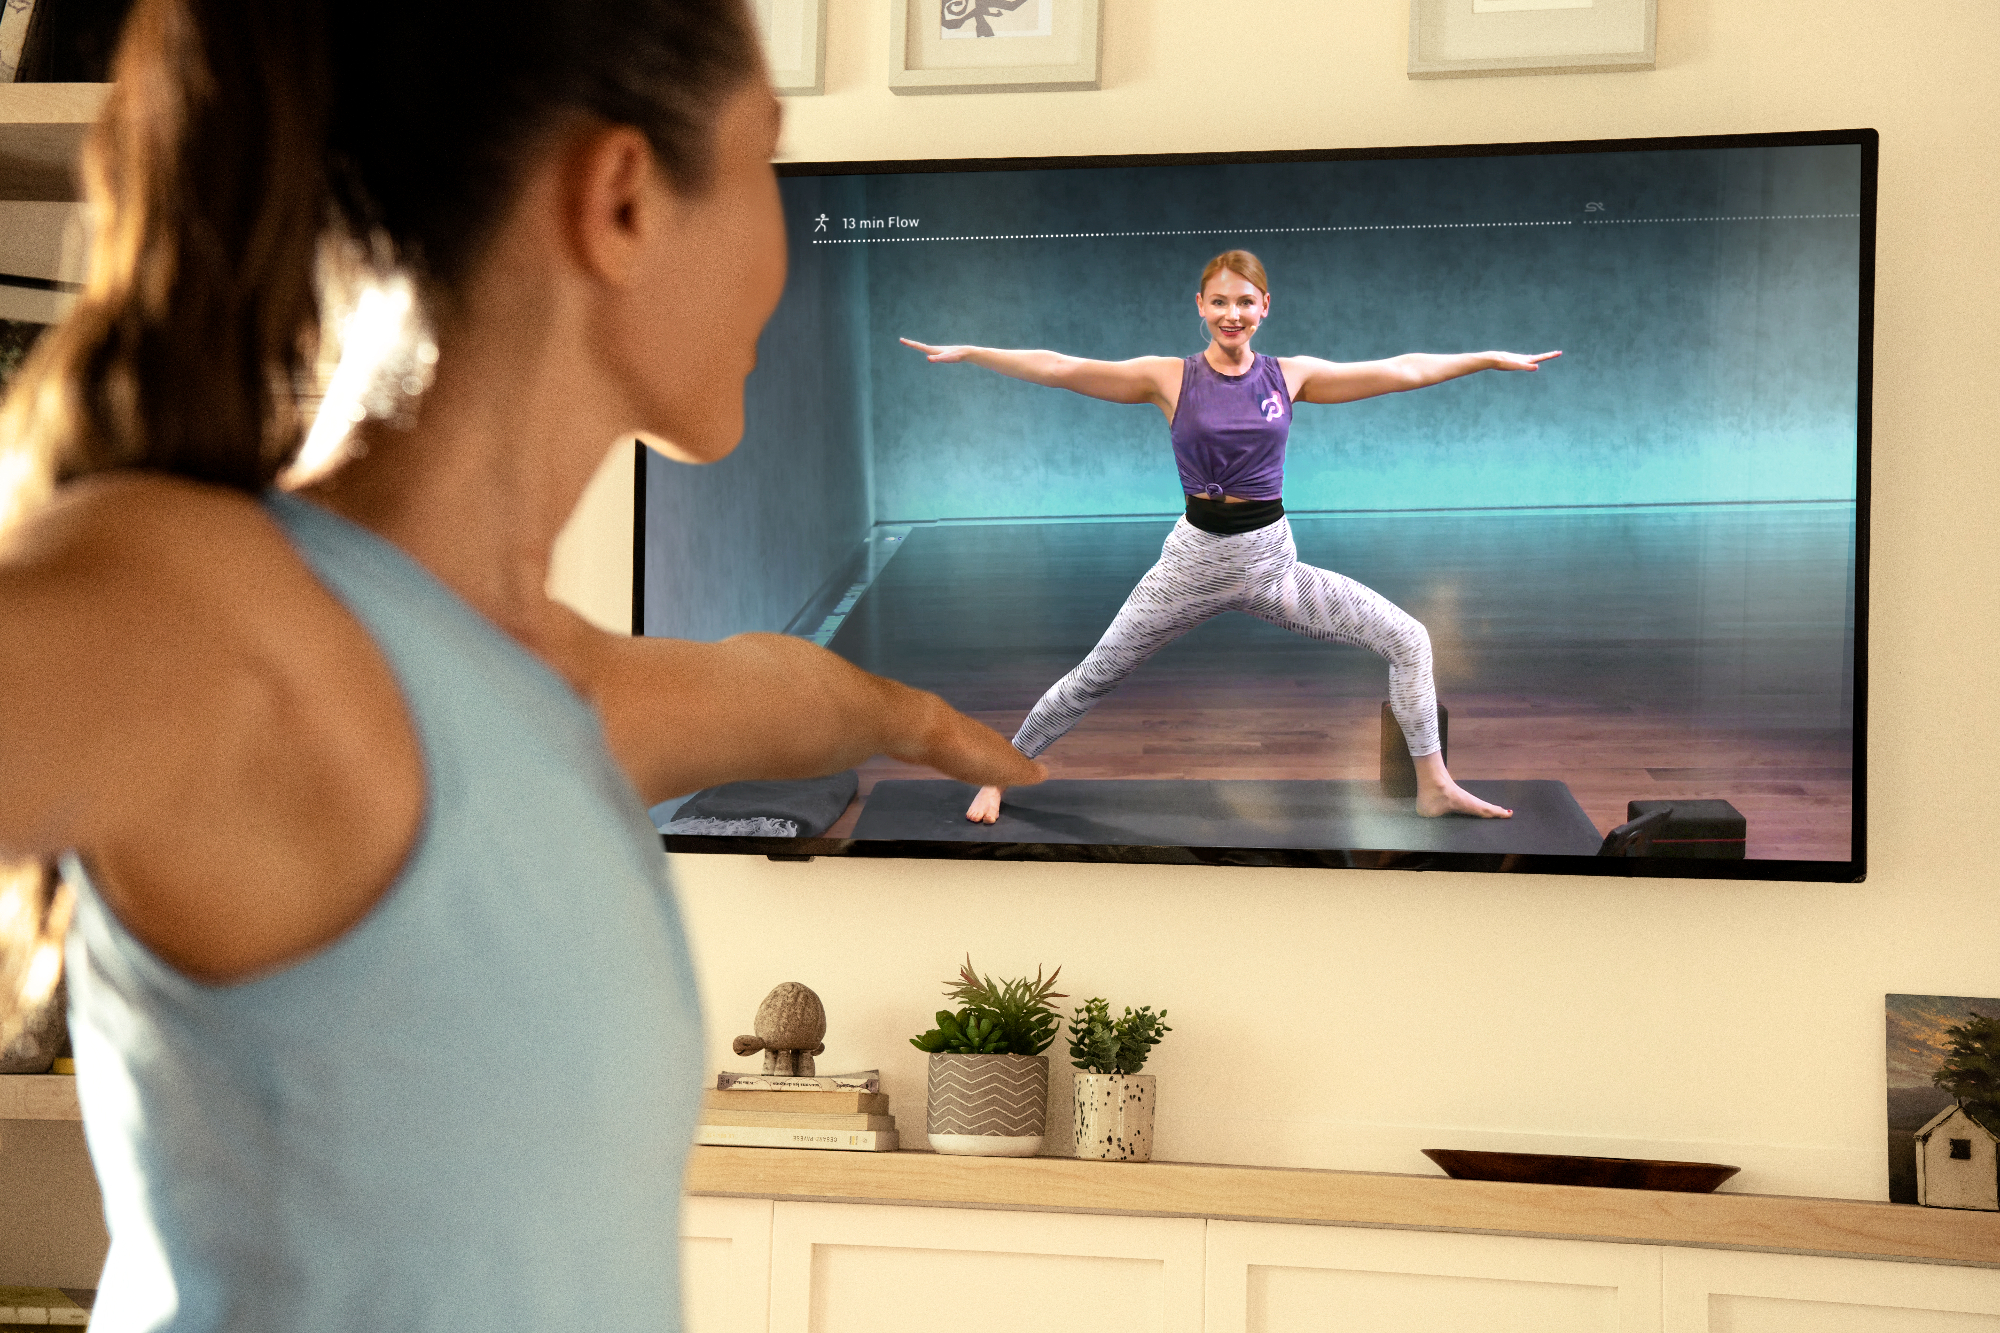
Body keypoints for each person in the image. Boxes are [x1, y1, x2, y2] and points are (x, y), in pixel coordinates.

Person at [0, 1, 1042, 1328]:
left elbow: (778, 692)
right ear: (622, 201)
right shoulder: (230, 627)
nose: (780, 245)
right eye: (764, 161)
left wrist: (913, 717)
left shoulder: (541, 691)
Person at [901, 248, 1559, 825]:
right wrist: (972, 352)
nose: (1232, 314)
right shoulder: (1169, 377)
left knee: (1409, 638)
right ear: (1200, 306)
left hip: (1273, 566)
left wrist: (1486, 359)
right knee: (1095, 675)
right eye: (1219, 302)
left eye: (1245, 302)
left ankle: (1435, 787)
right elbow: (1058, 366)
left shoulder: (1289, 376)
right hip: (1190, 566)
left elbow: (1402, 369)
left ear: (1265, 306)